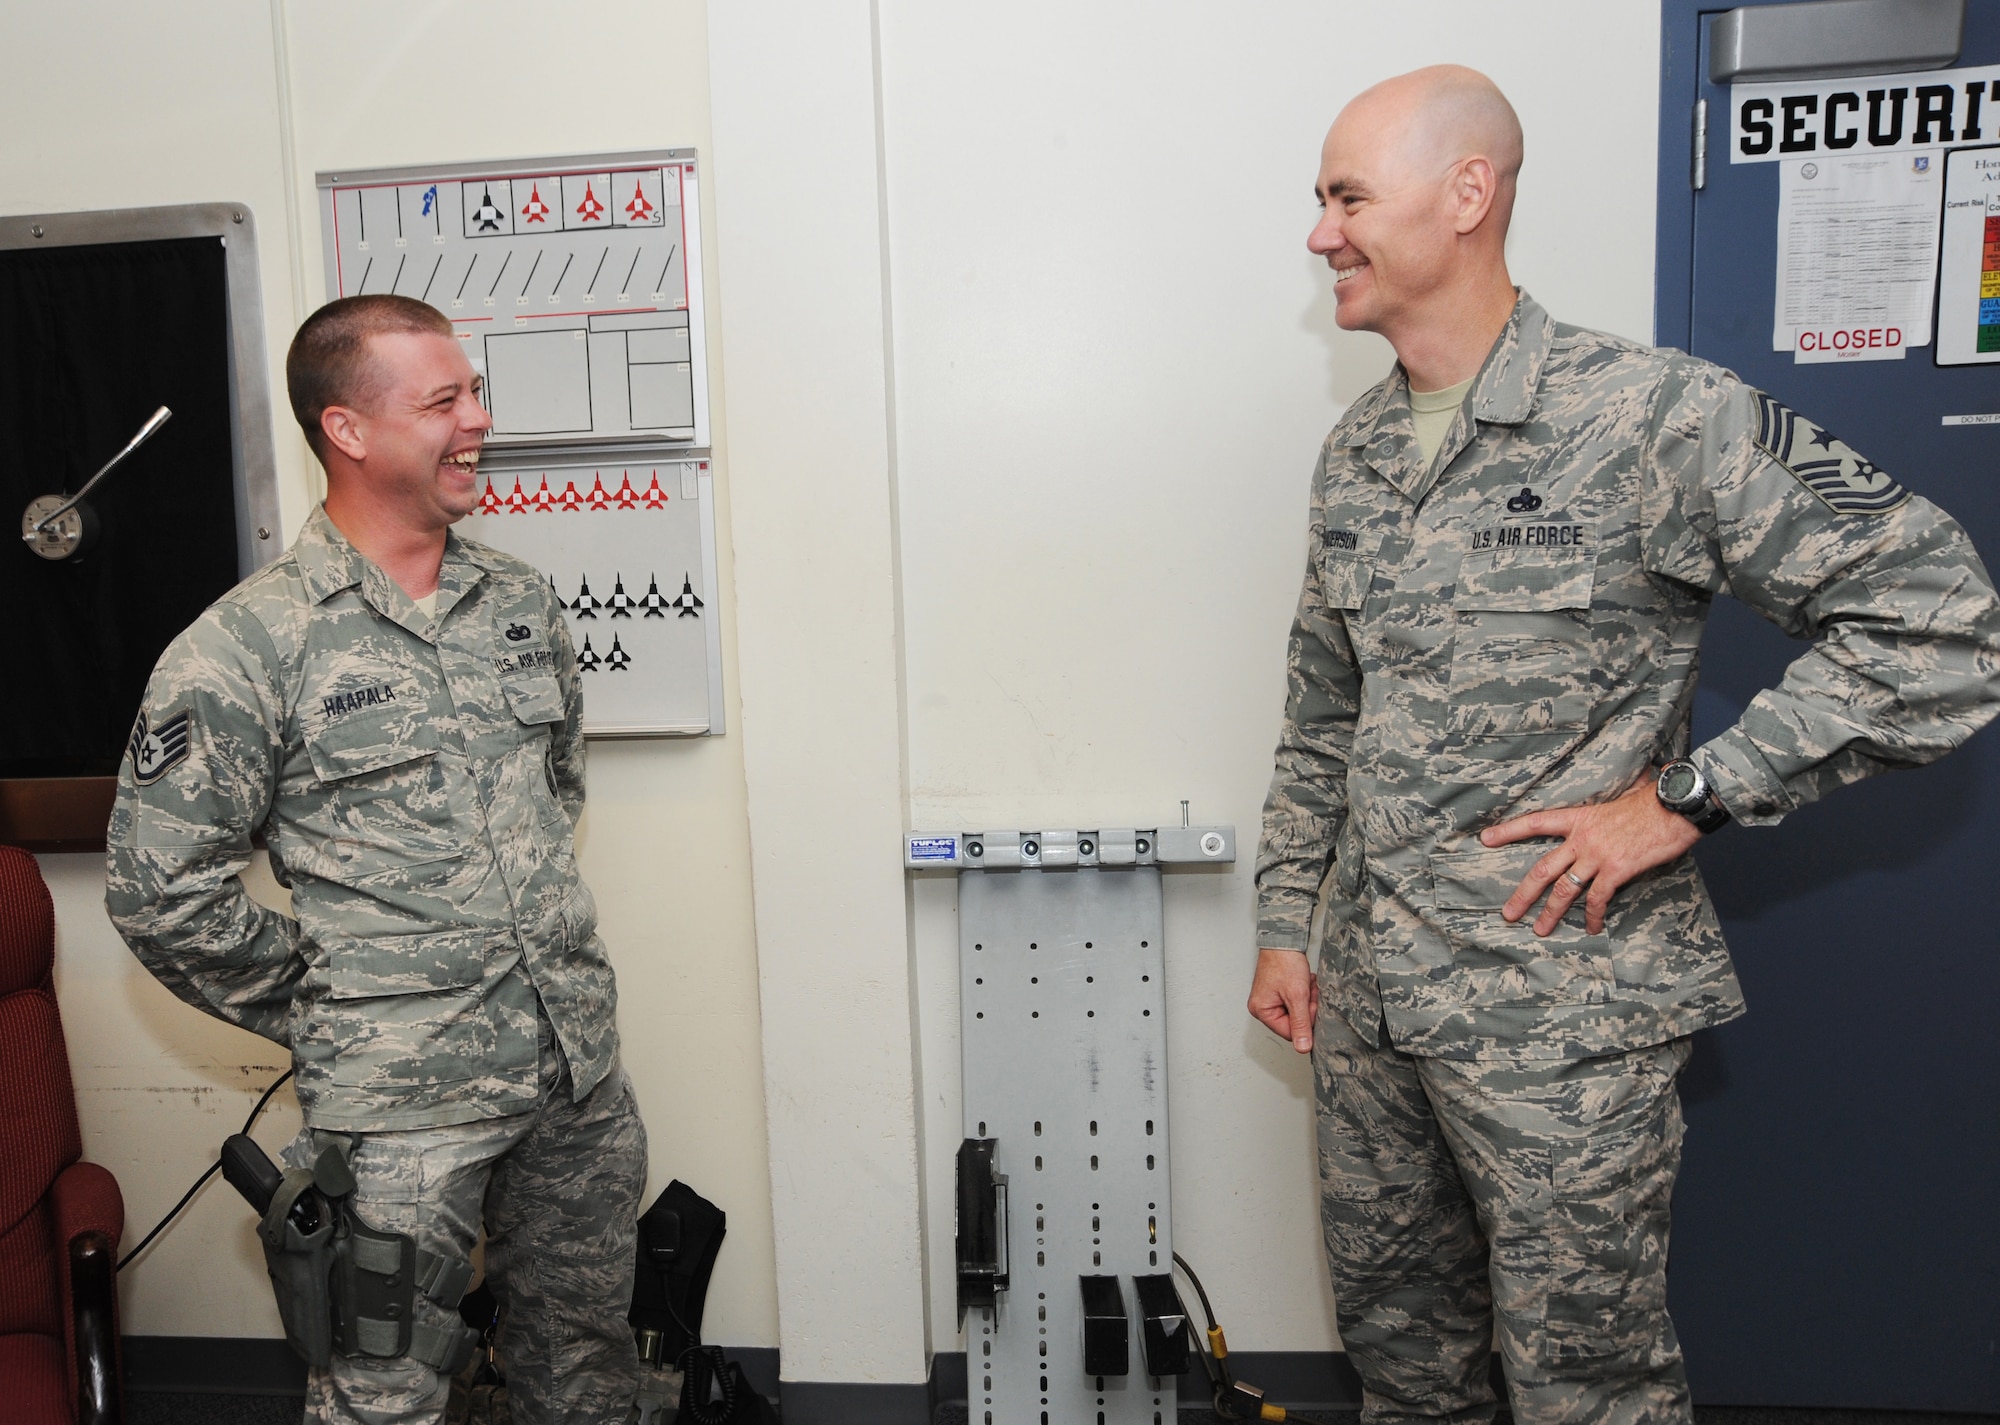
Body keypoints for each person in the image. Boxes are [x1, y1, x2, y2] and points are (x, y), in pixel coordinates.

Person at [1247, 66, 2000, 1425]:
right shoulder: (1355, 454)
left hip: (1558, 1016)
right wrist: (1287, 919)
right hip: (1369, 1008)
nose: (1321, 234)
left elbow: (1941, 624)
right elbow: (1322, 714)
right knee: (1406, 1368)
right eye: (1320, 202)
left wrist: (1686, 799)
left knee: (1585, 1385)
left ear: (1467, 195)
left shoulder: (1656, 417)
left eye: (1347, 197)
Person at [106, 294, 645, 1425]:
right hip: (399, 1119)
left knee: (587, 1373)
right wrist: (333, 1002)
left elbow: (555, 797)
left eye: (476, 392)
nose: (478, 421)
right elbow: (161, 893)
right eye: (444, 400)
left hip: (570, 1077)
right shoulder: (247, 645)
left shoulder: (519, 603)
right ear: (347, 430)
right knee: (383, 1396)